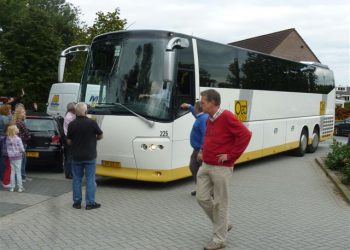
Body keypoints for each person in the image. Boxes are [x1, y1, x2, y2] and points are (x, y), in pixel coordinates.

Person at [197, 89, 252, 250]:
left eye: (204, 101)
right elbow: (208, 136)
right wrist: (202, 150)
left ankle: (219, 240)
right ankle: (224, 223)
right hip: (206, 164)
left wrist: (231, 156)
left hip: (221, 168)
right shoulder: (209, 118)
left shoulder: (227, 116)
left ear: (213, 102)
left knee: (221, 203)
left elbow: (246, 135)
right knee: (201, 198)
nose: (201, 104)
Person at [67, 102, 103, 210]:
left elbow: (69, 141)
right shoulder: (92, 123)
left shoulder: (72, 124)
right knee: (90, 179)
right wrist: (94, 139)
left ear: (76, 112)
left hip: (76, 156)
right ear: (86, 111)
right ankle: (90, 203)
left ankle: (77, 203)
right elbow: (100, 135)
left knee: (77, 179)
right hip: (90, 156)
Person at [180, 101, 208, 196]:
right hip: (196, 150)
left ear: (197, 109)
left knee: (203, 170)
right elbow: (194, 112)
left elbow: (205, 135)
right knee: (194, 167)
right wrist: (189, 106)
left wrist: (202, 150)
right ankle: (201, 188)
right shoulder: (200, 116)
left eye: (194, 108)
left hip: (200, 150)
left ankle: (208, 190)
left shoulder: (203, 119)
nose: (193, 109)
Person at [12, 105, 30, 181]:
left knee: (18, 161)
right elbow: (27, 133)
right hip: (22, 143)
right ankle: (22, 176)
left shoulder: (14, 121)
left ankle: (21, 176)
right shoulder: (21, 122)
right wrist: (28, 137)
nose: (25, 113)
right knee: (22, 160)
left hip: (15, 143)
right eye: (23, 112)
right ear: (19, 113)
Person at [6, 124, 25, 192]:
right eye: (17, 128)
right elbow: (22, 148)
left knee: (12, 172)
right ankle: (20, 187)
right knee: (18, 172)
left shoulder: (8, 139)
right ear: (15, 131)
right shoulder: (18, 139)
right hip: (18, 157)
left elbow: (7, 148)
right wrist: (23, 152)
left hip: (11, 157)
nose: (18, 129)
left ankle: (12, 187)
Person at [63, 102, 76, 179]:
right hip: (69, 138)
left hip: (68, 137)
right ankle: (69, 174)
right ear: (72, 109)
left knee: (69, 156)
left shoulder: (71, 115)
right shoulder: (70, 117)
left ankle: (68, 173)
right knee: (69, 157)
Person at [0, 104, 12, 181]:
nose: (10, 110)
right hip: (3, 138)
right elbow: (10, 127)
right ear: (6, 110)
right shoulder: (5, 119)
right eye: (10, 109)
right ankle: (2, 176)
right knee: (3, 158)